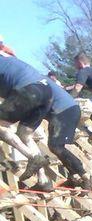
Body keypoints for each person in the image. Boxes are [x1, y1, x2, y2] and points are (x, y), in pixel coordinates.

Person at [0, 53, 51, 183]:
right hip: (46, 91)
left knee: (1, 126)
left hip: (27, 90)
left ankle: (32, 156)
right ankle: (43, 180)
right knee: (25, 135)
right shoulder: (9, 60)